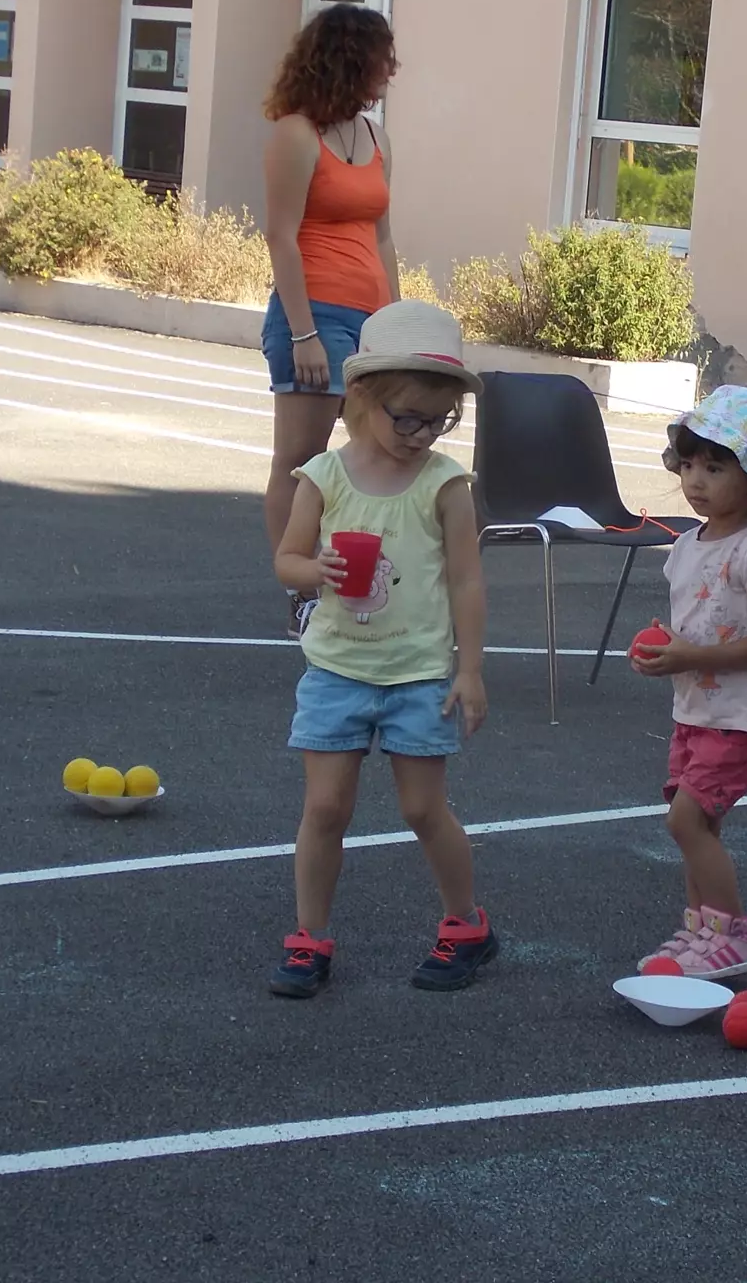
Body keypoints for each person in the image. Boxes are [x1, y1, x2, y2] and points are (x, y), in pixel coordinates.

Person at [268, 300, 496, 998]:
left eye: (439, 421)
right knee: (325, 809)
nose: (422, 435)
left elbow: (466, 579)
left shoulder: (444, 483)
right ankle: (309, 939)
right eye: (408, 419)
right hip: (336, 669)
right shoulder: (324, 476)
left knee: (423, 810)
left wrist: (470, 669)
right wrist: (314, 570)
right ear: (363, 396)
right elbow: (287, 560)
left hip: (417, 674)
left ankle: (467, 926)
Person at [632, 386, 747, 980]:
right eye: (689, 465)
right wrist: (664, 648)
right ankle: (702, 931)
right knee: (697, 826)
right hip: (697, 710)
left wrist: (690, 654)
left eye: (715, 468)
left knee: (685, 821)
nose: (695, 480)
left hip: (742, 718)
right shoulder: (686, 546)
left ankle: (734, 937)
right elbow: (695, 623)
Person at [262, 4, 401, 636]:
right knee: (300, 460)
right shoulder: (296, 135)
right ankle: (300, 592)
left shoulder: (377, 139)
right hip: (313, 311)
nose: (389, 72)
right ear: (350, 60)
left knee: (377, 454)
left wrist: (394, 326)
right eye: (381, 60)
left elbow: (384, 237)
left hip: (369, 317)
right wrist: (304, 334)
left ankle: (357, 578)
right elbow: (281, 236)